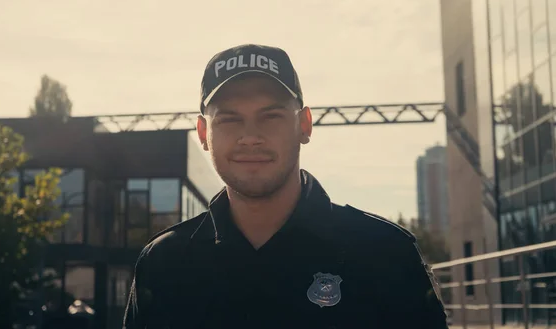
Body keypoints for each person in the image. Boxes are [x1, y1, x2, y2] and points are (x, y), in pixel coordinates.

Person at [123, 44, 448, 329]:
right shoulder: (164, 264)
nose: (250, 136)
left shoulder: (385, 254)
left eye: (271, 116)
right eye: (229, 119)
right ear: (203, 133)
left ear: (304, 125)